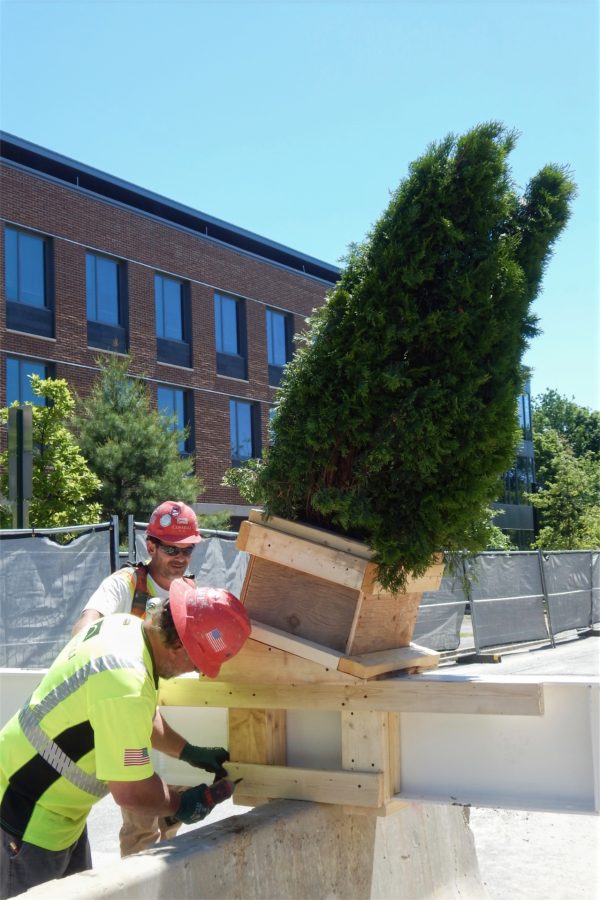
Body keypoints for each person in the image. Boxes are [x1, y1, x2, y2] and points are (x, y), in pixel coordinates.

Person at [0, 577, 251, 899]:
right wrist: (181, 804)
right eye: (198, 663)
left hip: (54, 808)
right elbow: (132, 791)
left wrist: (188, 751)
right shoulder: (126, 681)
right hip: (26, 816)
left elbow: (138, 718)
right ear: (179, 646)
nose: (198, 672)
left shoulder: (126, 630)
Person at [71, 500, 214, 857]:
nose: (181, 557)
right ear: (150, 546)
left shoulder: (192, 596)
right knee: (140, 828)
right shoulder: (126, 584)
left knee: (171, 823)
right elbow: (84, 629)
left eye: (188, 549)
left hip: (175, 723)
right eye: (171, 548)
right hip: (133, 721)